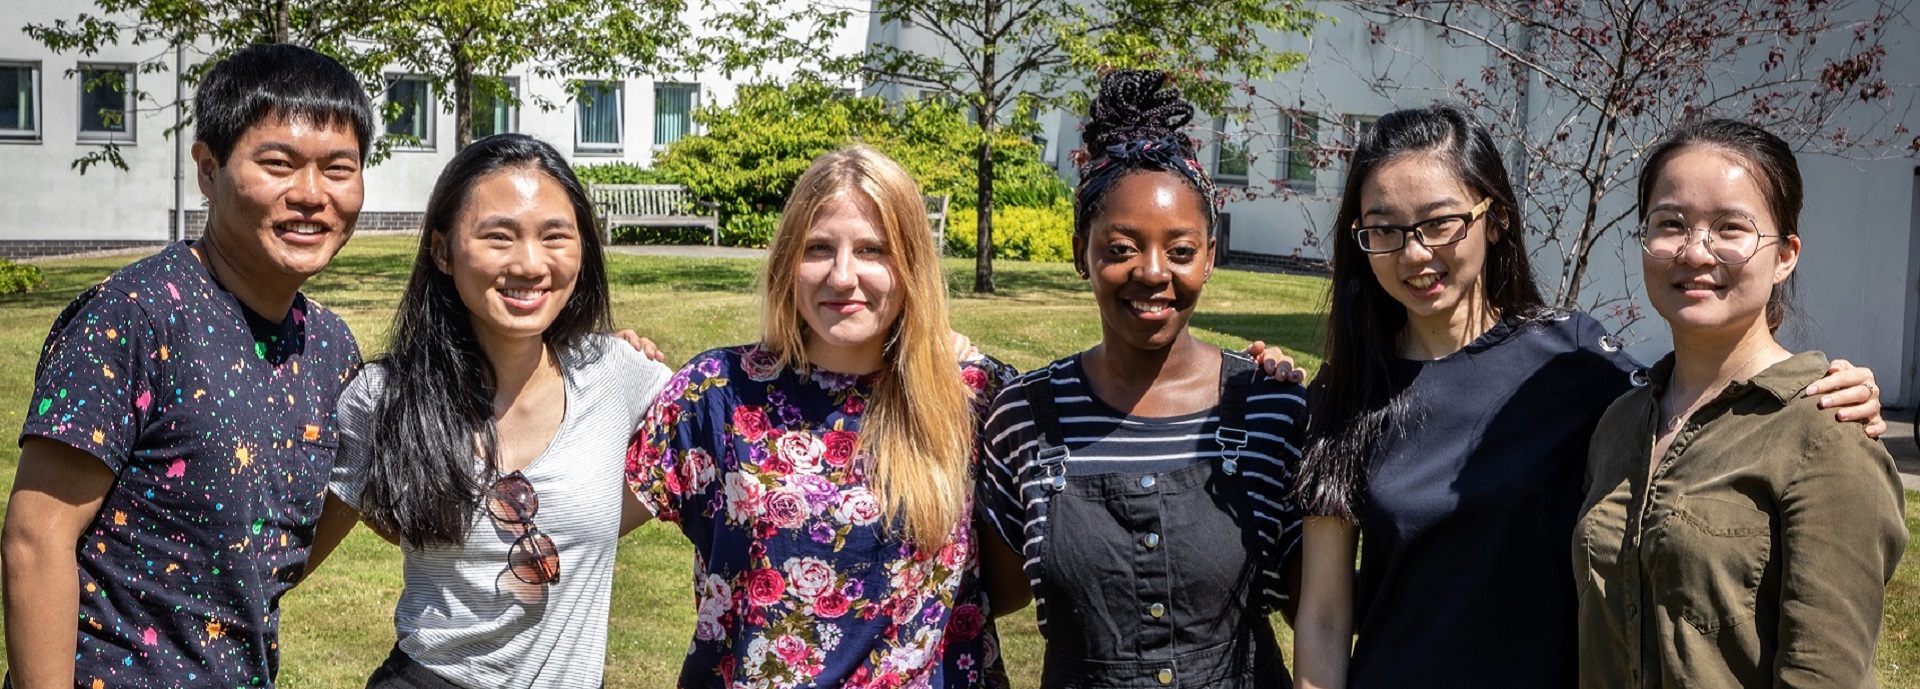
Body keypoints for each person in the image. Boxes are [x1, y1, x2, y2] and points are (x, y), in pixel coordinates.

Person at [1288, 103, 1887, 689]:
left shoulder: (1570, 364)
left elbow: (1709, 399)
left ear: (1494, 218)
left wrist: (1830, 389)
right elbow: (1323, 616)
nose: (1414, 252)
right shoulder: (1347, 391)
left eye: (1440, 222)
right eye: (1385, 230)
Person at [2, 44, 373, 689]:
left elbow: (296, 533)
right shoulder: (133, 318)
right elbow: (35, 544)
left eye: (339, 168)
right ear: (208, 168)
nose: (312, 195)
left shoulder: (333, 350)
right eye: (278, 164)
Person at [626, 145, 1015, 688]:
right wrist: (602, 372)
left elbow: (1036, 573)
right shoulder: (715, 393)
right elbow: (580, 526)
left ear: (912, 266)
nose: (842, 275)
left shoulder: (974, 398)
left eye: (873, 250)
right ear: (788, 260)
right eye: (819, 248)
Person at [973, 70, 1308, 689]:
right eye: (1121, 247)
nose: (1153, 273)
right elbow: (986, 594)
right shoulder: (1023, 416)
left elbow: (1316, 606)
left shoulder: (1270, 407)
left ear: (1210, 256)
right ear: (1081, 254)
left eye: (1180, 251)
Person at [307, 134, 673, 689]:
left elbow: (724, 452)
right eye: (498, 236)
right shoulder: (383, 398)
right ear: (443, 251)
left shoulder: (620, 374)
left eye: (556, 236)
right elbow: (292, 554)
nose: (529, 264)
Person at [1575, 119, 1905, 688]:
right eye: (1669, 223)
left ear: (1784, 256)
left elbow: (1824, 676)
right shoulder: (1619, 424)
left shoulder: (1826, 432)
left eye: (1731, 227)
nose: (1695, 251)